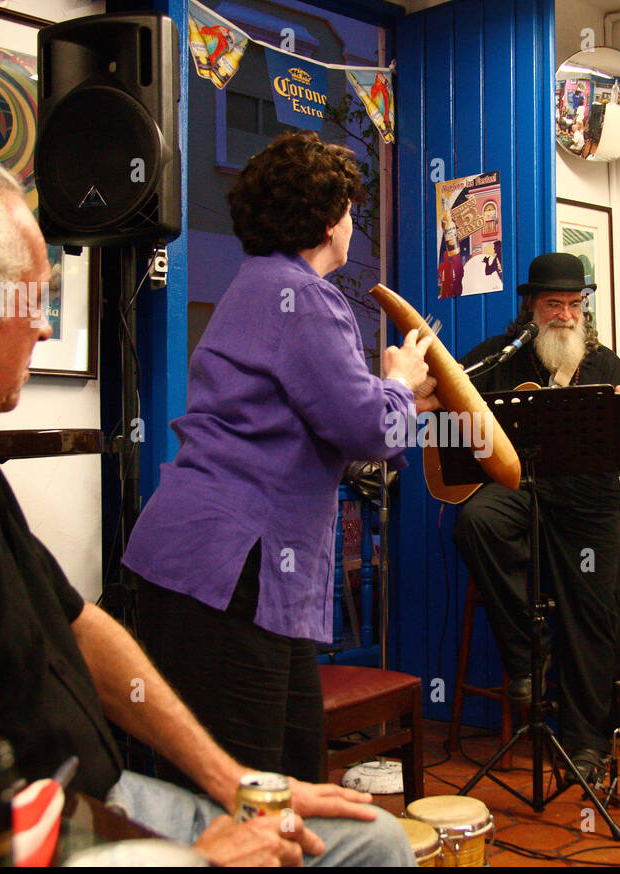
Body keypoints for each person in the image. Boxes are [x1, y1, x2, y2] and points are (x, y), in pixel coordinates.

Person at [0, 145, 414, 867]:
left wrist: (232, 780)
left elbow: (81, 625)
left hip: (96, 795)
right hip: (54, 834)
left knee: (369, 837)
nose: (45, 326)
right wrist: (189, 859)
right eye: (35, 298)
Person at [122, 131, 435, 787]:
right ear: (328, 218)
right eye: (349, 208)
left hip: (196, 562)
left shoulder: (253, 285)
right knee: (248, 791)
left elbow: (318, 417)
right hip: (228, 571)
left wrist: (392, 403)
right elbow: (365, 428)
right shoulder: (309, 298)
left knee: (288, 767)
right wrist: (400, 383)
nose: (353, 222)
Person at [453, 253, 620, 785]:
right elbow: (448, 389)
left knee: (589, 615)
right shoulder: (499, 358)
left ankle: (588, 744)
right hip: (523, 492)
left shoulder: (605, 364)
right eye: (553, 303)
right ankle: (529, 654)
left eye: (573, 304)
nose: (564, 314)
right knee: (476, 522)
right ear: (531, 306)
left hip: (588, 505)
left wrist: (619, 423)